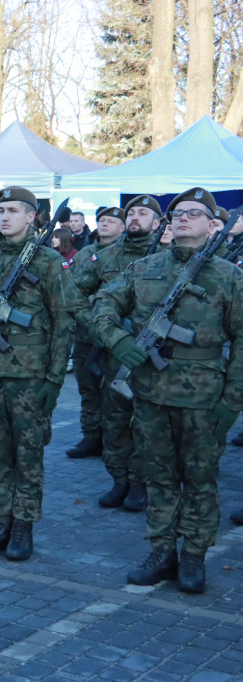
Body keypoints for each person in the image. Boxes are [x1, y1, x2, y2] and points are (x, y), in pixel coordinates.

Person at [91, 187, 243, 594]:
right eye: (176, 213)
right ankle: (162, 551)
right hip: (151, 394)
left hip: (203, 397)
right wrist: (117, 340)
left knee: (198, 478)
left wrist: (232, 401)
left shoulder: (230, 276)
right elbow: (101, 304)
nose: (181, 219)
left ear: (213, 225)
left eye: (192, 214)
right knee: (158, 476)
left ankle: (193, 555)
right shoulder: (145, 268)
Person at [0, 186, 77, 561]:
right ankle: (0, 521)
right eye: (0, 210)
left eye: (13, 211)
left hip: (31, 378)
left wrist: (54, 380)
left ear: (32, 218)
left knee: (28, 455)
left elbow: (63, 322)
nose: (4, 217)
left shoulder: (48, 262)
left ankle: (23, 525)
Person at [75, 199, 154, 512]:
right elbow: (74, 294)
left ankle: (139, 482)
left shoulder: (166, 258)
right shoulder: (105, 256)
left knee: (145, 423)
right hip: (112, 355)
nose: (135, 217)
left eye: (142, 213)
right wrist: (97, 327)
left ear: (159, 222)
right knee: (115, 421)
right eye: (131, 212)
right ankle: (119, 480)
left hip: (153, 359)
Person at [65, 207, 126, 459]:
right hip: (86, 333)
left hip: (117, 336)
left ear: (122, 227)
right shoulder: (85, 254)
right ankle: (91, 436)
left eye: (111, 221)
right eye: (101, 220)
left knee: (116, 393)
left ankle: (116, 442)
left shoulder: (129, 255)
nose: (104, 224)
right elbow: (72, 290)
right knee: (88, 388)